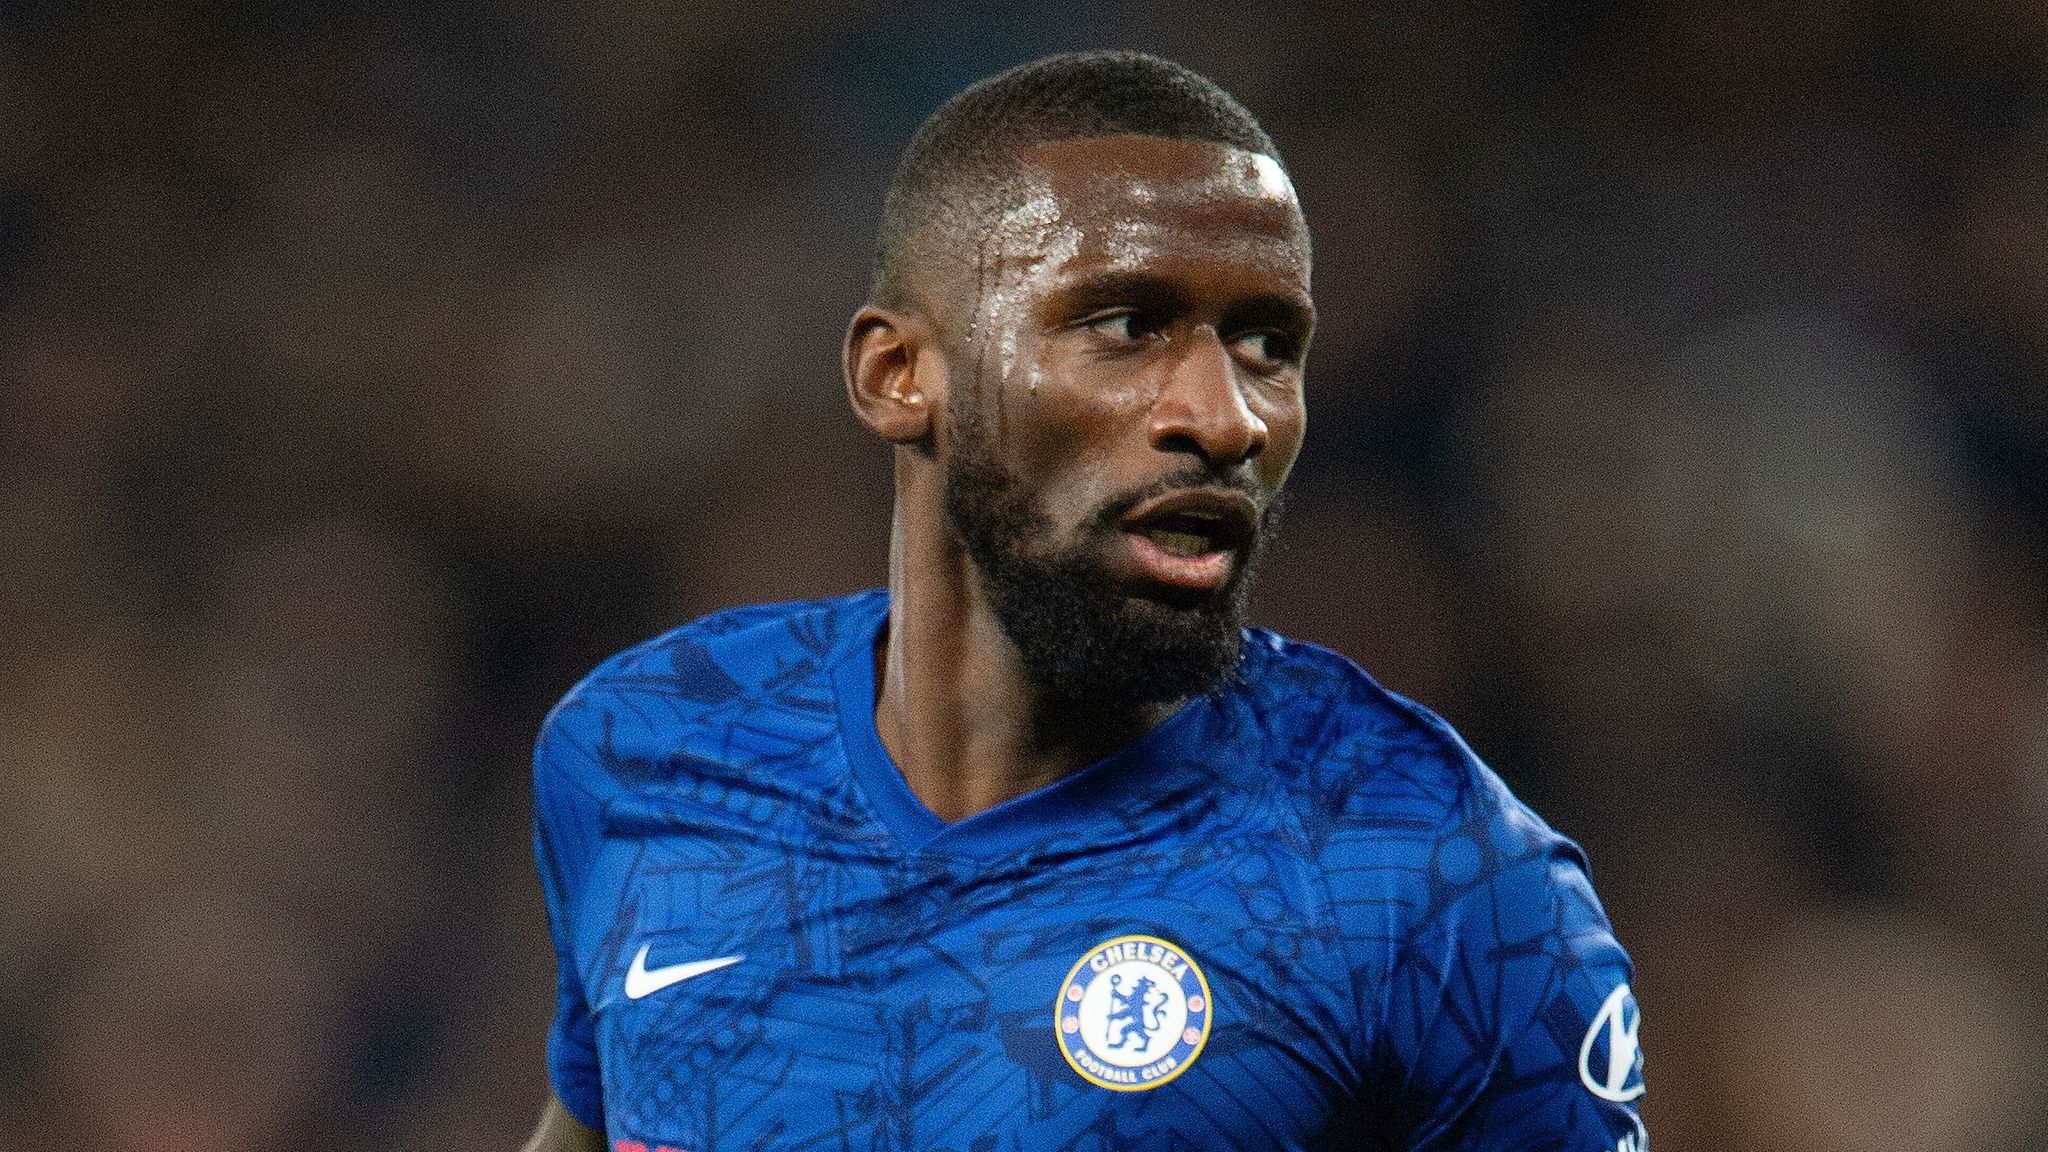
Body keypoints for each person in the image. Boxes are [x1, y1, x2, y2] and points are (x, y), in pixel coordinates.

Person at [524, 50, 1648, 1152]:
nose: (1226, 418)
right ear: (897, 376)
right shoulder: (643, 750)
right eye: (1125, 327)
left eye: (1268, 344)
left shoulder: (1431, 878)